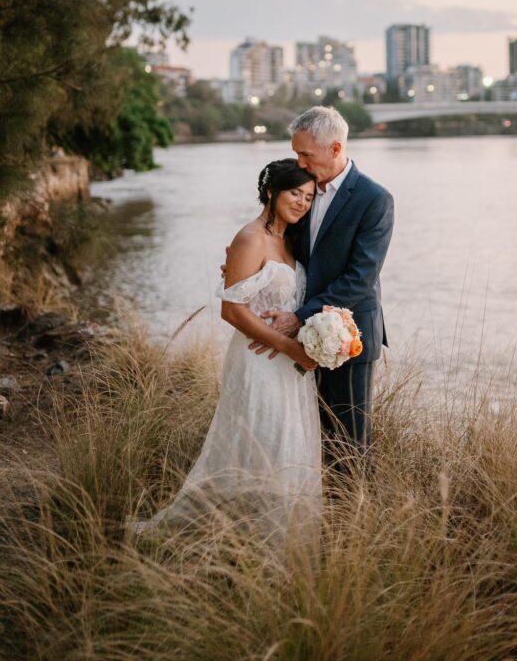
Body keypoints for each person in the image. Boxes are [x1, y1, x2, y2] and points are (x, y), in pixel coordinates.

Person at [132, 159, 320, 537]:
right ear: (271, 192)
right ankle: (232, 536)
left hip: (290, 366)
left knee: (289, 446)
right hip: (259, 361)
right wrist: (288, 346)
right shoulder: (250, 238)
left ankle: (280, 541)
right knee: (261, 441)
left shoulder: (291, 240)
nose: (302, 203)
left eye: (309, 197)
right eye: (295, 193)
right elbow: (232, 310)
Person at [259, 106, 394, 464]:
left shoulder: (374, 199)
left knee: (350, 445)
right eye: (295, 152)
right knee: (311, 439)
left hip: (350, 338)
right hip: (301, 341)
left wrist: (300, 316)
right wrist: (247, 264)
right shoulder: (302, 189)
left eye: (305, 154)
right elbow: (281, 243)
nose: (299, 162)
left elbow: (360, 278)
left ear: (335, 149)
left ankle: (356, 517)